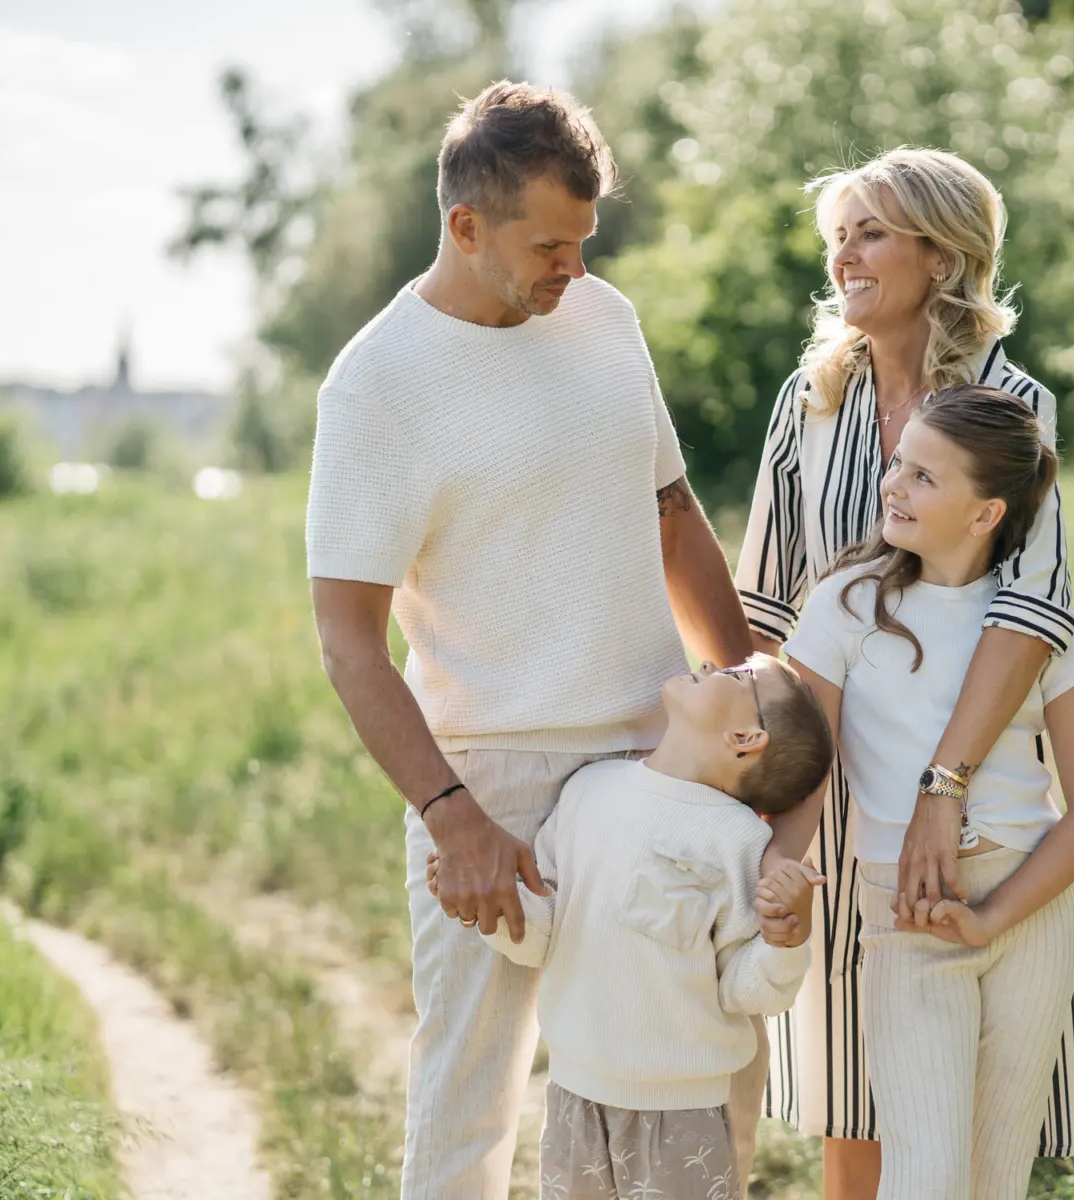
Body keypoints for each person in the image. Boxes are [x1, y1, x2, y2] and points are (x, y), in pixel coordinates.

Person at [304, 81, 757, 1200]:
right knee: (471, 1103)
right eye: (550, 244)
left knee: (701, 1071)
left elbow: (670, 510)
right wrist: (449, 817)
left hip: (660, 759)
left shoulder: (604, 319)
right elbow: (348, 638)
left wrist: (751, 689)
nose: (574, 267)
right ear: (466, 227)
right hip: (488, 783)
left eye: (585, 240)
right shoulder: (377, 387)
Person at [737, 147, 1074, 1197]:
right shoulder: (812, 399)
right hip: (832, 792)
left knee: (967, 1129)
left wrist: (946, 785)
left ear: (944, 254)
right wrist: (749, 798)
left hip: (972, 801)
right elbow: (766, 606)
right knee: (852, 1088)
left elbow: (1034, 610)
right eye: (838, 232)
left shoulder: (1012, 403)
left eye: (872, 229)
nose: (844, 252)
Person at [782, 383, 1074, 1199]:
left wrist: (995, 918)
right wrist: (774, 870)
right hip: (905, 920)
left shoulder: (1039, 624)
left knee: (995, 1178)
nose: (894, 484)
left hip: (1028, 913)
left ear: (985, 515)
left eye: (926, 477)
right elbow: (805, 772)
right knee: (925, 1174)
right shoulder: (845, 607)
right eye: (899, 464)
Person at [426, 656, 834, 1200]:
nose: (713, 661)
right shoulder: (588, 791)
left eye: (737, 676)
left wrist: (788, 941)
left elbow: (744, 989)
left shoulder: (739, 844)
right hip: (576, 1098)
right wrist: (493, 906)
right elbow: (546, 937)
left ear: (744, 737)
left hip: (685, 1115)